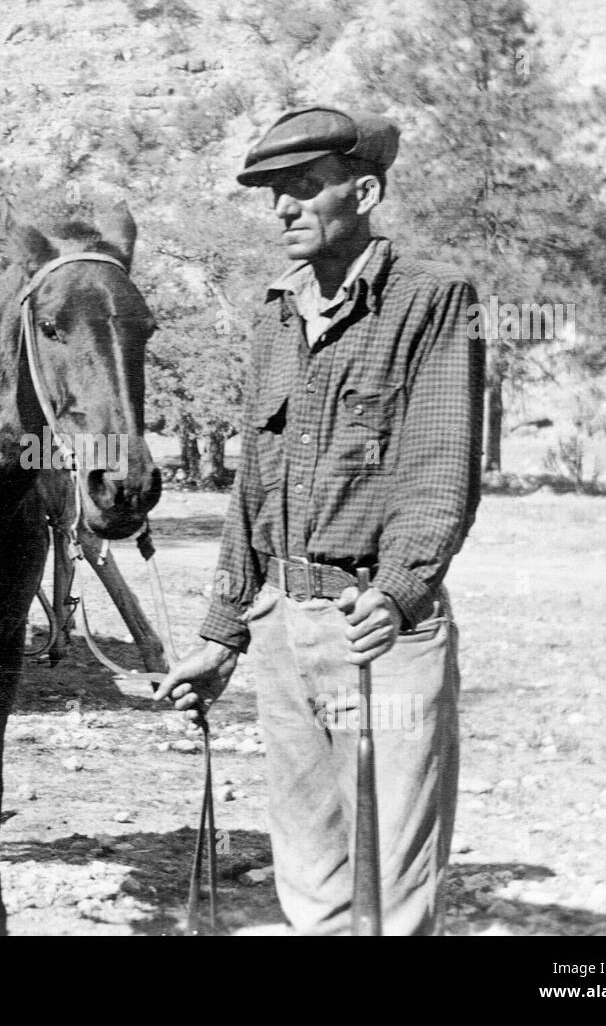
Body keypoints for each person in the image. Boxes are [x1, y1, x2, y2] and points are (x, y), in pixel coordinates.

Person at [155, 105, 485, 935]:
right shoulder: (275, 312)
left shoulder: (432, 299)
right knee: (310, 881)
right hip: (283, 630)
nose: (284, 209)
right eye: (274, 193)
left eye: (305, 188)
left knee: (390, 891)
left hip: (377, 627)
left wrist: (404, 587)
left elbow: (441, 466)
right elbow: (252, 488)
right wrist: (223, 630)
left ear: (365, 189)